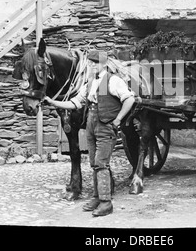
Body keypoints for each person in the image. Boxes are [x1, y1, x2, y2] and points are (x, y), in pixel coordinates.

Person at [44, 50, 135, 216]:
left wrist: (118, 119)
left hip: (105, 125)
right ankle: (96, 197)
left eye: (97, 63)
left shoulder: (113, 81)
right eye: (91, 63)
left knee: (101, 163)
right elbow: (76, 103)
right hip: (91, 124)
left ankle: (106, 203)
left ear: (105, 64)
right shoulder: (91, 81)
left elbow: (129, 99)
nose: (93, 66)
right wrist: (52, 101)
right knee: (93, 162)